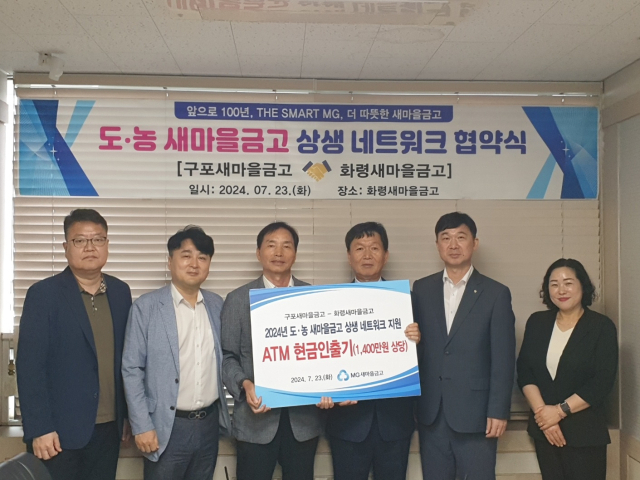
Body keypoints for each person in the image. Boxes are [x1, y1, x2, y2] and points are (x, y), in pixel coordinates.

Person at [16, 208, 132, 480]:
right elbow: (30, 367)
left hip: (109, 429)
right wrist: (39, 428)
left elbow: (126, 360)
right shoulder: (43, 294)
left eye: (98, 239)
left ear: (107, 244)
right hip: (57, 434)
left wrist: (127, 415)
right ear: (66, 247)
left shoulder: (120, 292)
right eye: (80, 240)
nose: (90, 247)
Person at [221, 221, 331, 480]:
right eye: (271, 245)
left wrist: (330, 386)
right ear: (259, 253)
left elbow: (326, 353)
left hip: (303, 423)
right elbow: (228, 357)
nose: (279, 253)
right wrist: (245, 384)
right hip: (255, 423)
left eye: (286, 246)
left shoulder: (313, 297)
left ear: (295, 253)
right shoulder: (238, 299)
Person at [411, 211, 516, 480]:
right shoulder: (421, 289)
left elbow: (503, 359)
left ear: (474, 243)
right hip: (432, 414)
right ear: (437, 245)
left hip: (477, 415)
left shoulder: (496, 293)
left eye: (461, 237)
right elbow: (419, 352)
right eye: (446, 238)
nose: (453, 245)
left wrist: (498, 411)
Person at [122, 226, 231, 480]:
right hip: (165, 426)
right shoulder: (146, 307)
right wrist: (142, 425)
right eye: (186, 255)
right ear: (170, 261)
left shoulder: (217, 305)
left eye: (202, 257)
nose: (194, 264)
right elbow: (131, 369)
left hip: (208, 424)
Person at [327, 221, 420, 480]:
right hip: (347, 424)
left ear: (386, 255)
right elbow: (322, 358)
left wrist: (418, 342)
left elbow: (429, 360)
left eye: (374, 248)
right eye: (359, 248)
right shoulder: (329, 303)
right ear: (349, 257)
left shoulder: (409, 301)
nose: (367, 255)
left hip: (395, 423)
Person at [517, 258, 618, 480]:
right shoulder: (537, 322)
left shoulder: (601, 326)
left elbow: (602, 382)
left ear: (583, 285)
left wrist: (559, 411)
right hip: (545, 432)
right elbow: (525, 372)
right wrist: (544, 416)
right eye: (554, 284)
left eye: (568, 283)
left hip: (585, 434)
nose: (561, 290)